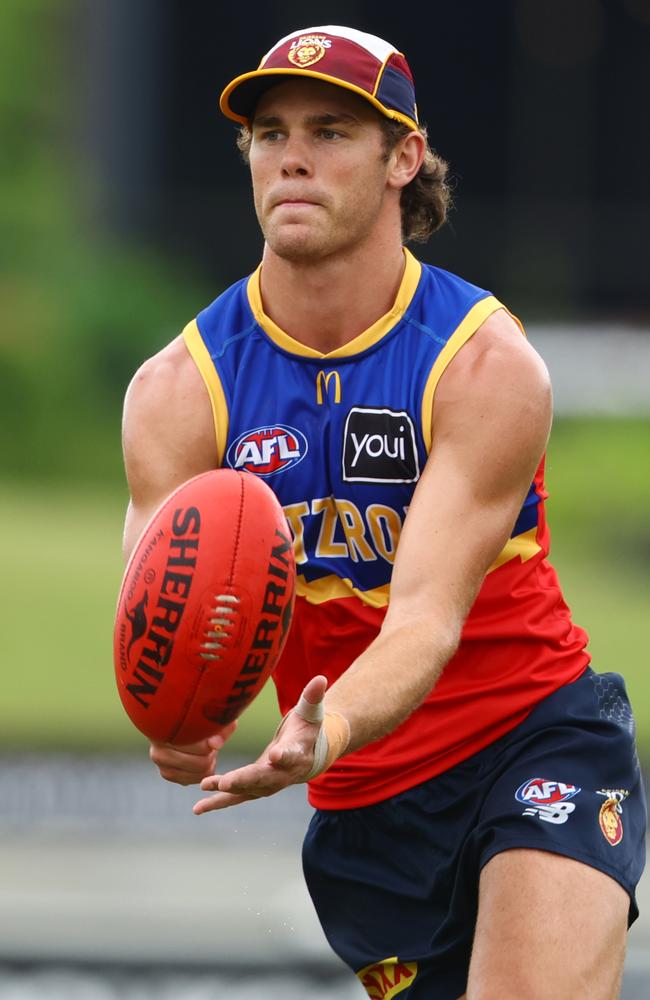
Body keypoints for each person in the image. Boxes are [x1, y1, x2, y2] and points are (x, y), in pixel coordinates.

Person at [121, 25, 646, 1000]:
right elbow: (160, 617)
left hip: (528, 737)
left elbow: (425, 619)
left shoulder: (481, 363)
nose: (291, 156)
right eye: (269, 132)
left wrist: (326, 727)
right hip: (368, 811)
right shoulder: (178, 391)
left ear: (403, 157)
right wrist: (178, 721)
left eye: (330, 131)